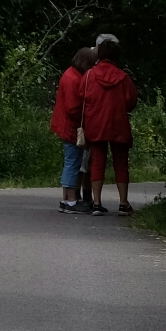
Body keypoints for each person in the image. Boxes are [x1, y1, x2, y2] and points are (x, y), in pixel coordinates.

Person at [82, 34, 139, 216]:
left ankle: (97, 203)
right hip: (118, 123)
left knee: (97, 162)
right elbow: (131, 101)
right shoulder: (123, 78)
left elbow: (82, 97)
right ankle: (123, 203)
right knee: (121, 163)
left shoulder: (89, 76)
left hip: (96, 123)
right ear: (116, 56)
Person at [50, 46, 95, 211]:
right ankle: (71, 200)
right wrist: (88, 111)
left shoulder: (71, 74)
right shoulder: (73, 79)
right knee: (72, 163)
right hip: (71, 127)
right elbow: (72, 108)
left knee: (71, 162)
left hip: (68, 125)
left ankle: (66, 199)